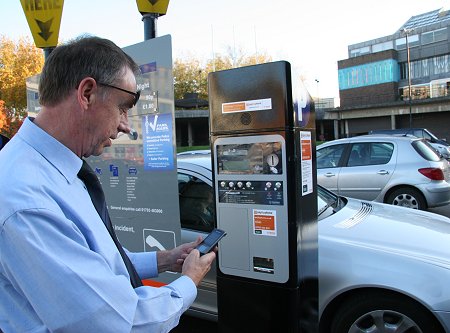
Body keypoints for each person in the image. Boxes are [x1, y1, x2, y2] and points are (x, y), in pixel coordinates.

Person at [0, 36, 216, 333]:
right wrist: (188, 282)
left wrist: (167, 259)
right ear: (86, 93)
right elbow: (115, 323)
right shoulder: (27, 199)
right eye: (123, 107)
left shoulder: (51, 173)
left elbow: (97, 265)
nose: (126, 125)